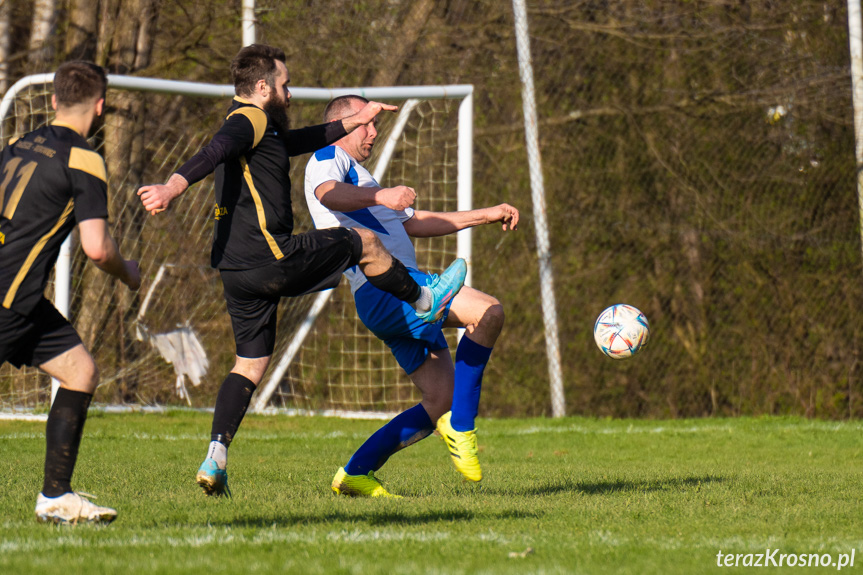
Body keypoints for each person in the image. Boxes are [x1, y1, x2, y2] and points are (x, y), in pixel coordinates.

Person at [136, 44, 466, 498]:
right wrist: (172, 187)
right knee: (365, 242)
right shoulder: (247, 120)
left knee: (249, 364)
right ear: (262, 87)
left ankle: (216, 455)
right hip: (272, 256)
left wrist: (356, 118)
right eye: (285, 85)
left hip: (236, 271)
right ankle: (425, 301)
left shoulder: (264, 130)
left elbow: (307, 138)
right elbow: (214, 150)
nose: (290, 94)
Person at [304, 95, 519, 497]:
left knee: (439, 398)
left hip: (392, 294)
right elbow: (327, 194)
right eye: (366, 123)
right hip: (390, 288)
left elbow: (415, 222)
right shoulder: (326, 157)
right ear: (343, 123)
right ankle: (462, 427)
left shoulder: (362, 176)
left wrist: (483, 214)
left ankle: (356, 472)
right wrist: (381, 196)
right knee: (488, 312)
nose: (373, 131)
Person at [0, 61, 141, 523]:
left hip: (18, 298)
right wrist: (129, 273)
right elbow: (97, 249)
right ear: (100, 106)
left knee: (79, 369)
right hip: (8, 298)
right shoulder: (84, 157)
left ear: (55, 100)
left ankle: (56, 496)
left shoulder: (18, 145)